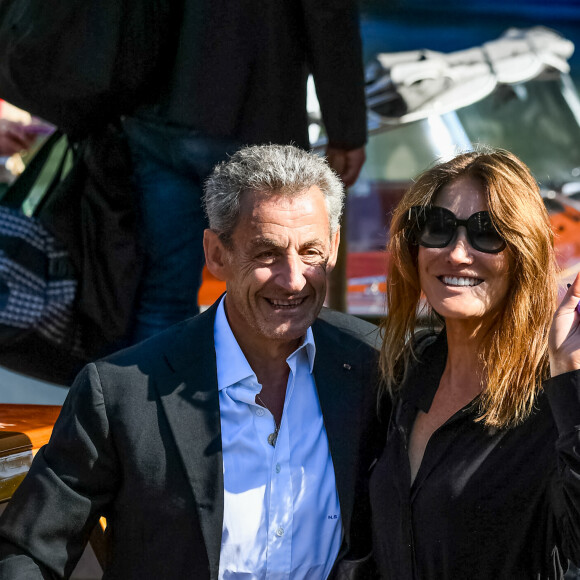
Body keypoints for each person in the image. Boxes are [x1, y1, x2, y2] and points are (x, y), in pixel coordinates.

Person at [0, 144, 380, 579]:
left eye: (310, 251)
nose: (293, 278)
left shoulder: (373, 365)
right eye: (266, 253)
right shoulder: (122, 391)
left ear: (333, 246)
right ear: (216, 254)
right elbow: (29, 550)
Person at [370, 148, 580, 579]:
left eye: (487, 233)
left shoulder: (556, 400)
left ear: (523, 253)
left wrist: (572, 378)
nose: (458, 253)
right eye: (439, 228)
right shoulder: (406, 371)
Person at [124, 0, 368, 343]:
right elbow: (328, 14)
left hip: (160, 114)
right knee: (282, 286)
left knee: (164, 293)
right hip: (256, 112)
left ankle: (151, 397)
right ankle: (267, 394)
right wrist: (346, 130)